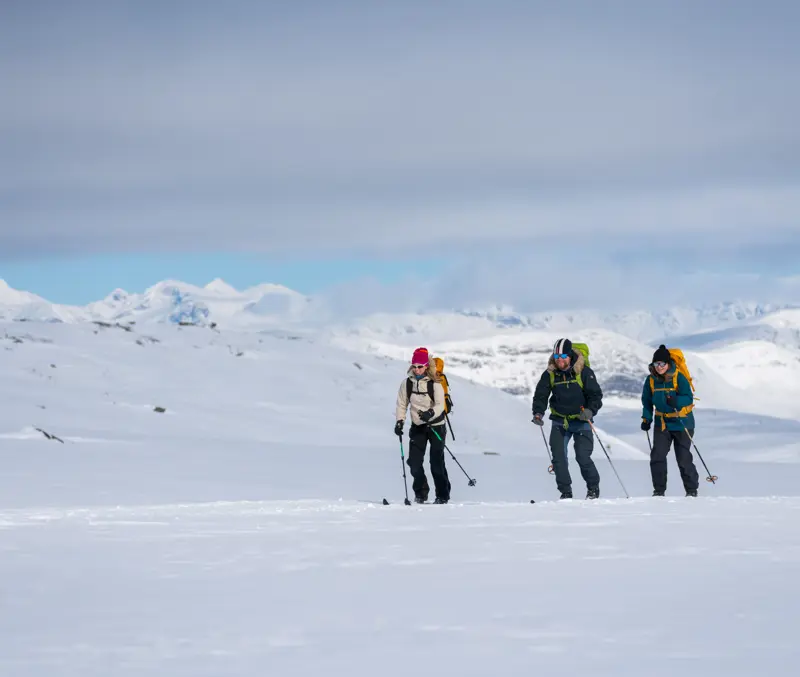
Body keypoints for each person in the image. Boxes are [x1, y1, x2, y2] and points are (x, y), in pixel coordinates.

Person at [532, 338, 603, 499]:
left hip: (581, 420)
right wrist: (538, 413)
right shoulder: (550, 374)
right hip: (559, 420)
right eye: (557, 357)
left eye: (563, 356)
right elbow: (541, 395)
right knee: (558, 457)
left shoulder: (584, 372)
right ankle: (566, 492)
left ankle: (593, 489)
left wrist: (591, 411)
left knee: (582, 456)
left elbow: (596, 395)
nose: (560, 360)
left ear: (570, 355)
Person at [641, 344, 700, 497]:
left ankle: (691, 490)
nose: (659, 367)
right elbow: (646, 401)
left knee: (683, 458)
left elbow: (688, 397)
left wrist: (676, 401)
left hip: (682, 422)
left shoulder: (678, 377)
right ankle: (659, 491)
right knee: (657, 456)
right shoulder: (651, 380)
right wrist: (646, 418)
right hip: (662, 423)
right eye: (656, 364)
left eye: (662, 363)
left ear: (668, 363)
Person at [394, 347, 451, 504]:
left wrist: (430, 413)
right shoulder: (407, 384)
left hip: (436, 426)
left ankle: (442, 495)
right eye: (415, 366)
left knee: (436, 463)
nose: (417, 369)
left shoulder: (435, 384)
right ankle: (421, 493)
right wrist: (400, 421)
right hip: (418, 426)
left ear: (427, 366)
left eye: (420, 366)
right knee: (414, 463)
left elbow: (440, 405)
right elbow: (401, 403)